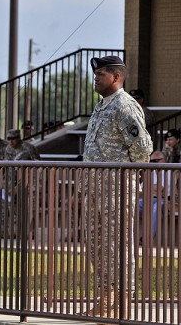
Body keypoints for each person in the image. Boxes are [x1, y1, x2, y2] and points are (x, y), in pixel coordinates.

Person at [83, 56, 153, 319]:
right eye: (96, 74)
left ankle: (120, 300)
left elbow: (143, 148)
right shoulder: (101, 107)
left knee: (118, 244)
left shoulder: (125, 105)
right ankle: (104, 296)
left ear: (116, 77)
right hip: (93, 187)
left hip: (116, 187)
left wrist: (128, 175)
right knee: (96, 244)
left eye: (101, 73)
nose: (96, 77)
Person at [138, 151, 171, 240]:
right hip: (149, 199)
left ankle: (148, 237)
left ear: (163, 161)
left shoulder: (169, 171)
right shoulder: (151, 172)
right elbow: (141, 189)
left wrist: (150, 187)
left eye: (156, 161)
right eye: (151, 161)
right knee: (133, 204)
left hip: (165, 201)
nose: (153, 163)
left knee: (156, 207)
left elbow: (160, 188)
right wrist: (152, 187)